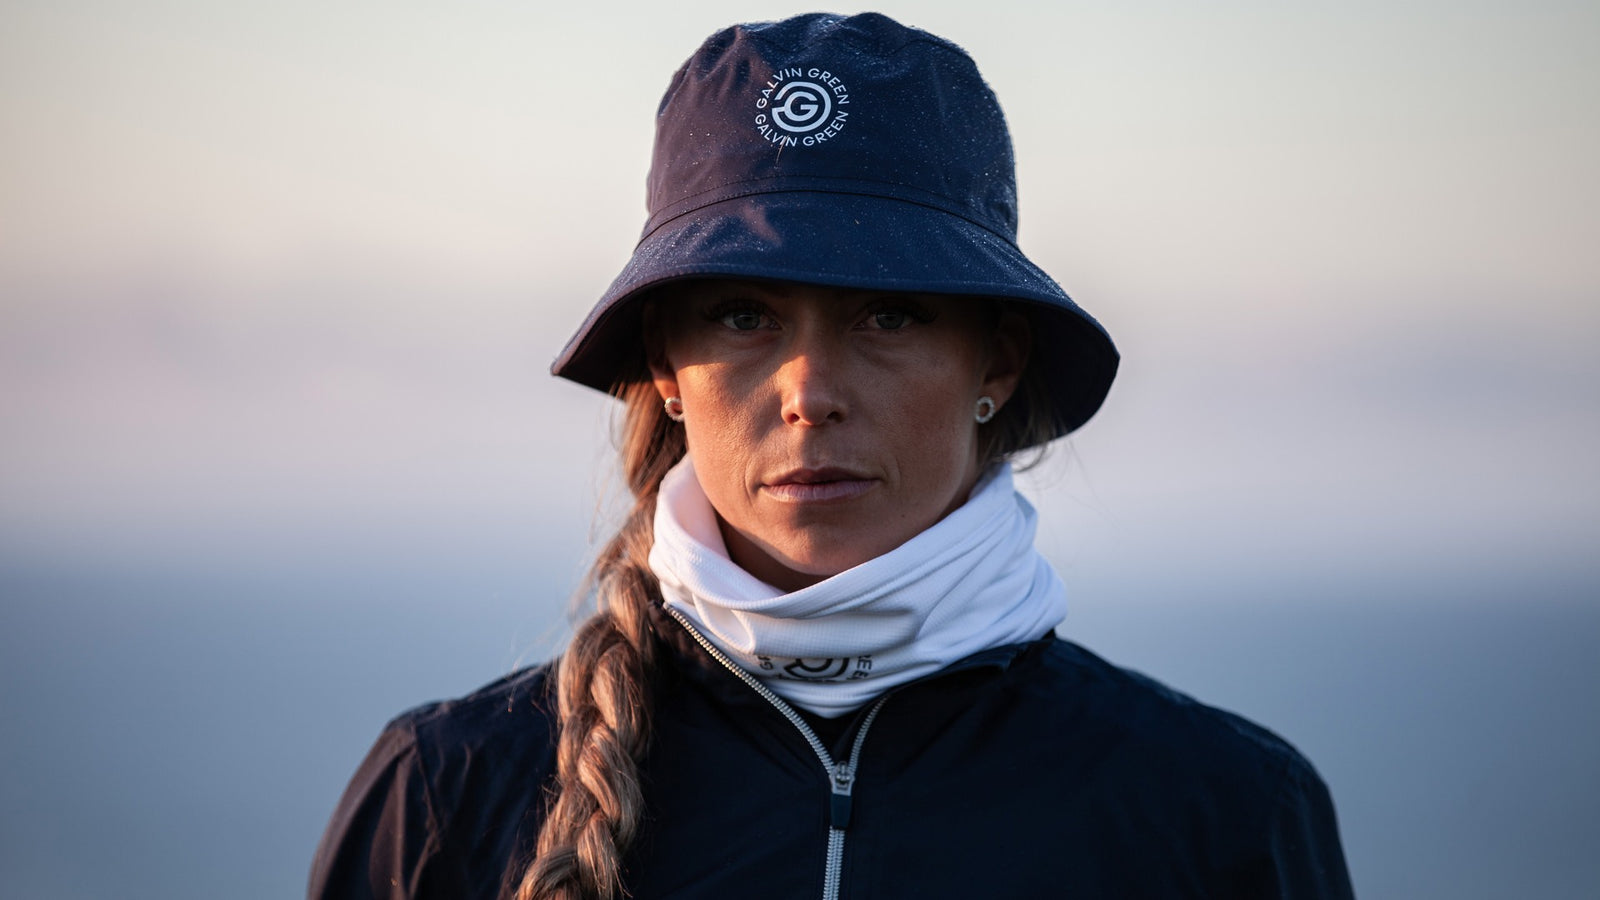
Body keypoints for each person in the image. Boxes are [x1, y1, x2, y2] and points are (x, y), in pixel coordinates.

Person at [309, 13, 1353, 900]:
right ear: (666, 369)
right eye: (742, 314)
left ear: (996, 358)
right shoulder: (447, 795)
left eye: (889, 315)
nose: (810, 392)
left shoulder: (1219, 815)